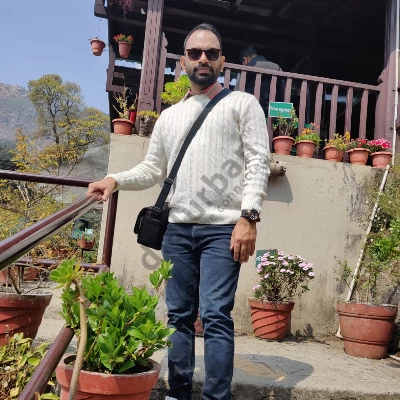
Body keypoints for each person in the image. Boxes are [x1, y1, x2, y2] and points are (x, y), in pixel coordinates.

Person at [86, 23, 270, 400]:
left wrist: (249, 216)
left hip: (223, 230)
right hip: (177, 231)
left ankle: (216, 397)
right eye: (195, 53)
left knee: (215, 316)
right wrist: (115, 179)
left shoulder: (242, 104)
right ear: (182, 61)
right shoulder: (169, 117)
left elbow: (258, 161)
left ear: (222, 61)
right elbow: (152, 169)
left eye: (211, 53)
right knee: (179, 317)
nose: (203, 58)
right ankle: (178, 392)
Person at [235, 47, 283, 116]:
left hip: (250, 110)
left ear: (245, 59)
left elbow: (237, 92)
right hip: (272, 112)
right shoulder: (277, 67)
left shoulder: (245, 69)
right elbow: (282, 92)